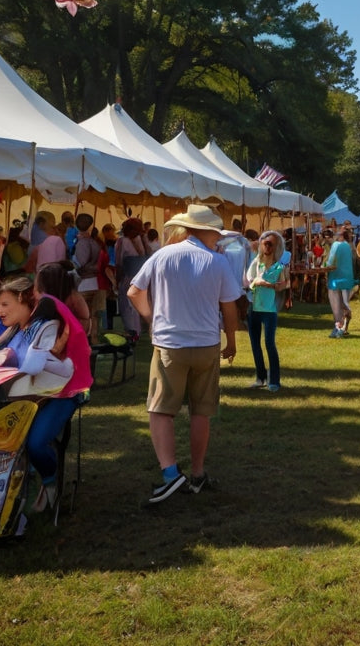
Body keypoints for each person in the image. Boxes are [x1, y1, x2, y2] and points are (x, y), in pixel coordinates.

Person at [127, 205, 239, 502]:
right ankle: (198, 473)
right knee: (201, 411)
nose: (218, 237)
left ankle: (170, 473)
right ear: (205, 231)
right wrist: (232, 341)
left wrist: (151, 318)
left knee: (160, 410)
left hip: (170, 345)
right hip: (206, 345)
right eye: (215, 232)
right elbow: (230, 306)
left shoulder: (162, 255)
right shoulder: (217, 261)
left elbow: (133, 291)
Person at [0, 275, 92, 513]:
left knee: (35, 443)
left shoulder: (49, 326)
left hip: (59, 395)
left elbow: (38, 366)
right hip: (27, 396)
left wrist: (10, 360)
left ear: (22, 299)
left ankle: (50, 483)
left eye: (5, 304)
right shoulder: (17, 328)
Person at [245, 230, 290, 390]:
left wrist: (268, 284)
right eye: (265, 243)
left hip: (270, 310)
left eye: (271, 244)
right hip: (254, 308)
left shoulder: (279, 266)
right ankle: (260, 378)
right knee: (255, 344)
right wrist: (255, 282)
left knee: (269, 343)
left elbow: (284, 285)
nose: (267, 247)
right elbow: (247, 281)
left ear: (277, 246)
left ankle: (274, 381)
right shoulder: (256, 263)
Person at [115, 218, 151, 339]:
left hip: (128, 277)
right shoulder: (143, 239)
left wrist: (116, 279)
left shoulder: (122, 241)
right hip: (142, 279)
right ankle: (139, 332)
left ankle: (132, 332)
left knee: (127, 307)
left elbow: (118, 262)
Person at [72, 213, 105, 338]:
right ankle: (94, 339)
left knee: (84, 315)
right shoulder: (93, 242)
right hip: (94, 282)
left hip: (84, 282)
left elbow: (81, 263)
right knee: (93, 315)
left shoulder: (83, 243)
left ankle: (86, 340)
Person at [324, 228, 355, 337]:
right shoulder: (349, 246)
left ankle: (338, 329)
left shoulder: (336, 245)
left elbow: (330, 262)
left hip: (335, 280)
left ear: (340, 235)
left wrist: (325, 266)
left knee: (336, 307)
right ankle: (343, 327)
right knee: (345, 305)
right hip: (347, 280)